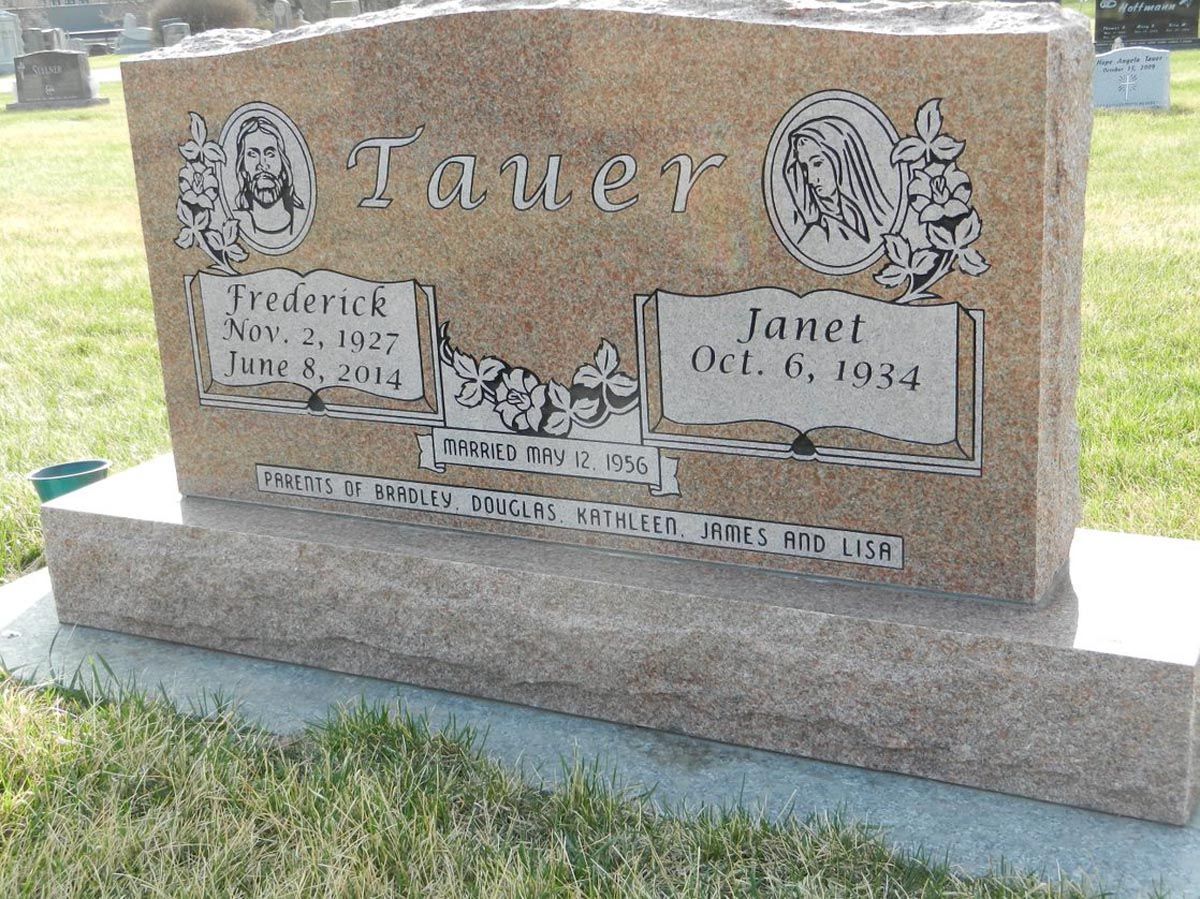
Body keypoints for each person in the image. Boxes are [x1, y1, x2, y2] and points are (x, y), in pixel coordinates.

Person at [782, 116, 894, 264]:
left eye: (817, 163)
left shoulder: (883, 218)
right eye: (804, 168)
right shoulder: (817, 233)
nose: (810, 179)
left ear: (840, 159)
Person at [232, 115, 305, 243]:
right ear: (242, 170)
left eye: (270, 154)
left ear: (284, 167)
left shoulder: (302, 218)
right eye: (252, 155)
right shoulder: (234, 222)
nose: (262, 164)